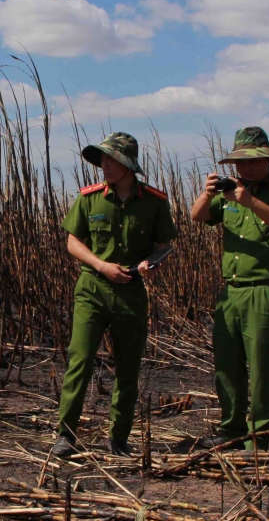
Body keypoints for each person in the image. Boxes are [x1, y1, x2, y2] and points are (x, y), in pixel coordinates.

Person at [52, 132, 177, 457]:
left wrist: (151, 265)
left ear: (126, 164)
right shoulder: (89, 198)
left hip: (131, 294)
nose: (104, 166)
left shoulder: (154, 202)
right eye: (102, 160)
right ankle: (65, 435)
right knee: (79, 360)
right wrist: (100, 265)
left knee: (128, 367)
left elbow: (164, 246)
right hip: (92, 290)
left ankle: (118, 438)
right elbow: (72, 242)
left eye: (110, 160)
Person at [190, 126, 269, 450]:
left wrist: (251, 202)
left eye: (254, 162)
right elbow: (197, 216)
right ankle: (232, 428)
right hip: (232, 291)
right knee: (227, 364)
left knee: (262, 364)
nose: (246, 168)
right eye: (240, 163)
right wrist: (207, 193)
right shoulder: (230, 194)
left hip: (265, 290)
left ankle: (261, 434)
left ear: (268, 160)